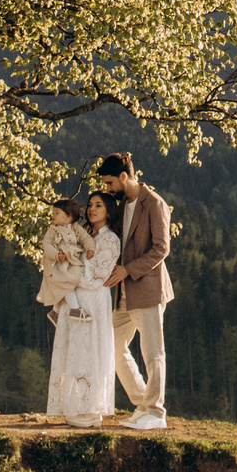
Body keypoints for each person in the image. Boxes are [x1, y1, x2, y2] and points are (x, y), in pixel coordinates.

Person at [97, 152, 174, 431]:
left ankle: (156, 413)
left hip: (148, 290)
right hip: (123, 294)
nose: (108, 189)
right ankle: (143, 404)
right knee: (114, 348)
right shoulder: (121, 205)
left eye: (109, 182)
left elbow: (161, 248)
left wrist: (128, 270)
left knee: (153, 353)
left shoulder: (154, 203)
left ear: (124, 176)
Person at [41, 194, 117, 427]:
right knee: (73, 350)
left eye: (99, 205)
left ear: (109, 210)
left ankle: (90, 409)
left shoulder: (111, 240)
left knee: (90, 351)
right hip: (72, 300)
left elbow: (98, 276)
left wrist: (67, 272)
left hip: (93, 300)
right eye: (90, 205)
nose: (92, 209)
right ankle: (73, 406)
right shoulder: (78, 232)